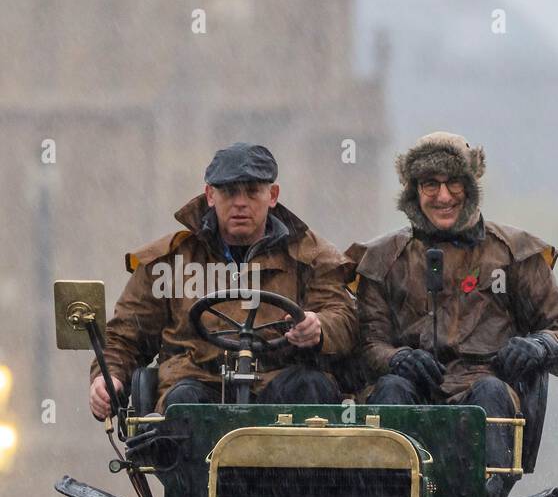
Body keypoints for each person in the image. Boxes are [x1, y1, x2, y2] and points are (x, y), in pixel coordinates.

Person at [349, 131, 558, 497]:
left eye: (454, 182)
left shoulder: (515, 254)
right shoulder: (382, 260)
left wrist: (539, 346)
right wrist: (396, 358)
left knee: (489, 394)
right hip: (411, 395)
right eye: (430, 184)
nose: (443, 196)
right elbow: (363, 344)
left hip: (485, 393)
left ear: (471, 185)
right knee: (389, 391)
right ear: (414, 191)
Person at [88, 143, 357, 417]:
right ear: (210, 195)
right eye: (229, 192)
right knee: (184, 404)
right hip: (197, 383)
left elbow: (344, 317)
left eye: (252, 191)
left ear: (272, 195)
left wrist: (318, 327)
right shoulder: (169, 260)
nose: (240, 202)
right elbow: (126, 334)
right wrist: (108, 378)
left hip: (281, 384)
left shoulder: (312, 257)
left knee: (312, 389)